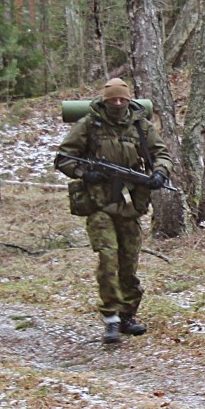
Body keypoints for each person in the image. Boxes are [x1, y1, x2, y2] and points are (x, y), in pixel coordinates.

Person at [55, 78, 173, 344]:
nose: (117, 104)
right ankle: (111, 318)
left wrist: (159, 173)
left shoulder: (141, 126)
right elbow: (63, 158)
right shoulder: (89, 125)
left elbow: (162, 154)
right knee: (108, 259)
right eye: (112, 100)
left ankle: (127, 315)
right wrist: (87, 172)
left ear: (129, 100)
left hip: (130, 205)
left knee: (128, 264)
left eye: (122, 99)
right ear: (105, 101)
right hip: (99, 204)